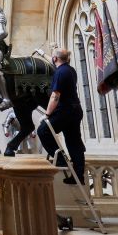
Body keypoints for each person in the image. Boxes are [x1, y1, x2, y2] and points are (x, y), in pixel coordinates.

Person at [37, 48, 86, 184]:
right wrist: (42, 53)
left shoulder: (60, 73)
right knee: (74, 142)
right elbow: (55, 62)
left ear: (55, 59)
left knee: (43, 130)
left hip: (65, 111)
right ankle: (78, 176)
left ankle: (60, 160)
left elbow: (55, 96)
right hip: (76, 110)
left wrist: (47, 114)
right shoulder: (70, 70)